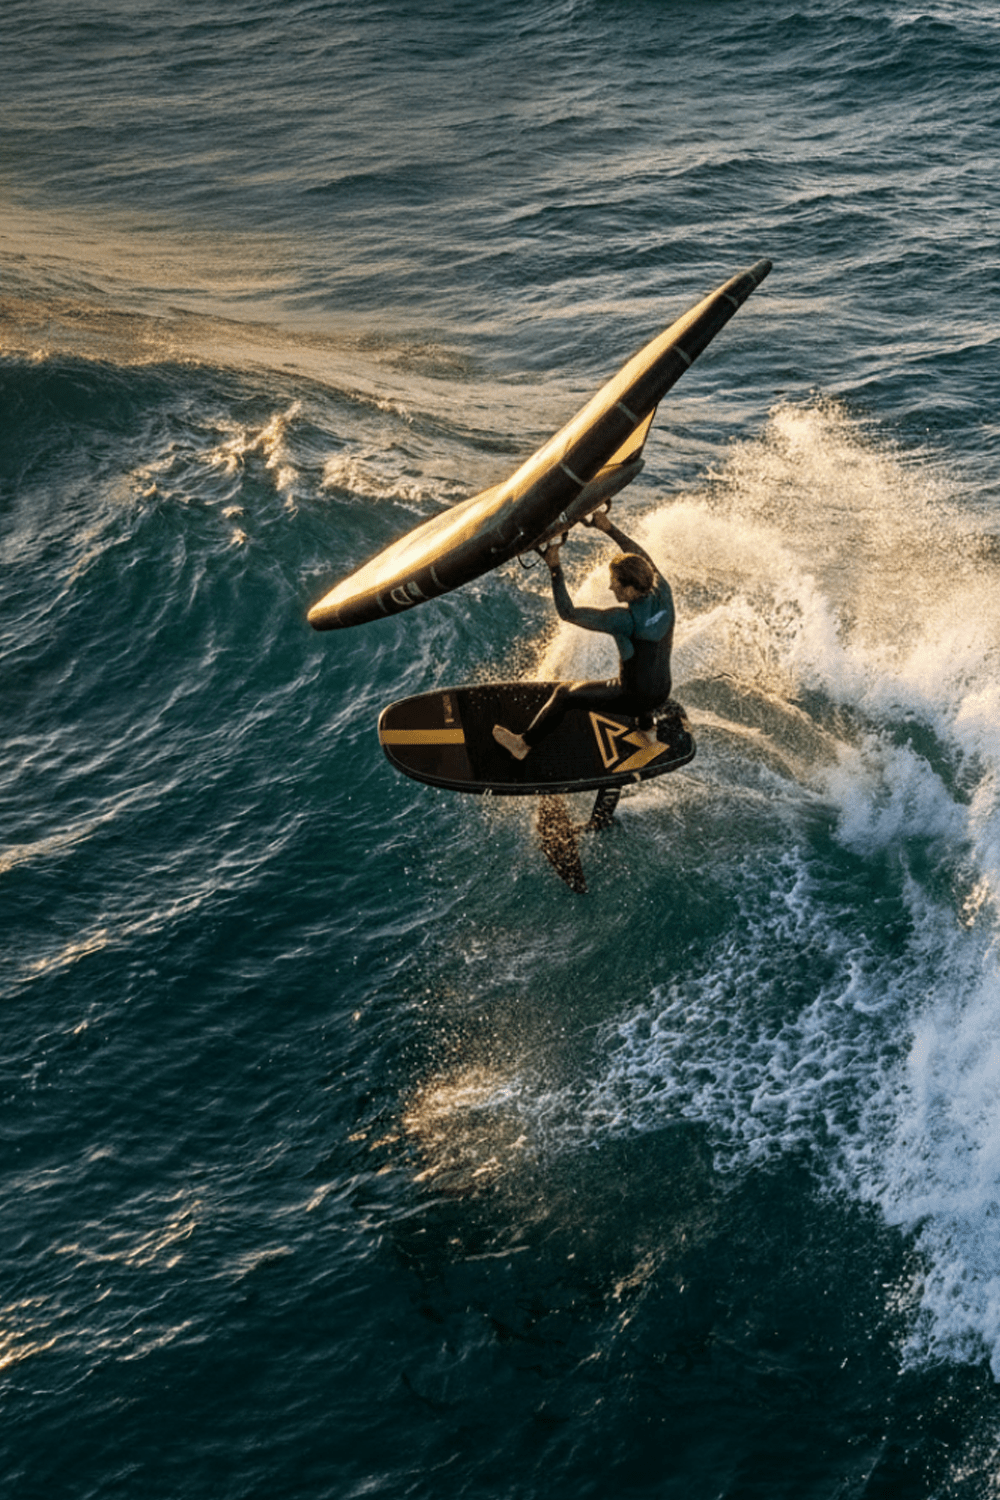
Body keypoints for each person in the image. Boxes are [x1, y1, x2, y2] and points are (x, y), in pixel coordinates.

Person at [492, 510, 674, 760]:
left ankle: (522, 744)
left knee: (564, 694)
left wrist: (555, 568)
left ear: (630, 589)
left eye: (615, 583)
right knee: (643, 673)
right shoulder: (663, 591)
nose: (610, 586)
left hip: (633, 698)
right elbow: (640, 556)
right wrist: (608, 528)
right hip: (662, 691)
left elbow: (568, 613)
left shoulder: (623, 620)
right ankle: (647, 730)